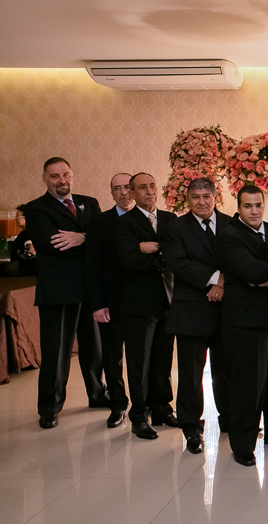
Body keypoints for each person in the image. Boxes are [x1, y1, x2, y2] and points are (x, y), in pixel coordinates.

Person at [23, 157, 107, 429]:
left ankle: (97, 394)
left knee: (94, 347)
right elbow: (55, 244)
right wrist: (89, 240)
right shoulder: (36, 209)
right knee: (56, 351)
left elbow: (103, 239)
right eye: (55, 176)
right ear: (45, 179)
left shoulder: (90, 203)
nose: (62, 180)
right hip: (58, 288)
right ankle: (50, 406)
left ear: (73, 175)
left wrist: (82, 237)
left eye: (66, 174)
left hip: (91, 287)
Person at [215, 185, 268, 466]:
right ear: (238, 208)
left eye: (258, 205)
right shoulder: (228, 236)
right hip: (244, 321)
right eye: (248, 206)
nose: (254, 211)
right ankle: (243, 445)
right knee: (247, 386)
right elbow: (251, 271)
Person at [161, 177, 231, 454]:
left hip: (226, 309)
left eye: (206, 196)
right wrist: (215, 279)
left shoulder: (231, 224)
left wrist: (222, 284)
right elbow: (178, 263)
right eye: (195, 197)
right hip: (191, 310)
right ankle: (191, 428)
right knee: (191, 374)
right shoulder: (175, 228)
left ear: (215, 197)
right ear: (187, 200)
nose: (201, 202)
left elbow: (239, 258)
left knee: (227, 370)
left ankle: (230, 420)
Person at [116, 173, 177, 440]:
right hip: (138, 303)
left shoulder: (170, 219)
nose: (150, 191)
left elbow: (176, 255)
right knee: (139, 363)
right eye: (143, 187)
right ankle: (139, 416)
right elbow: (129, 260)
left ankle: (162, 408)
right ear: (132, 193)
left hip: (168, 300)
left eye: (153, 186)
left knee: (163, 359)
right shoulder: (124, 223)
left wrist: (153, 248)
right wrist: (146, 252)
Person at [85, 172, 133, 427]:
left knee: (144, 358)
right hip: (111, 302)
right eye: (117, 188)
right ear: (112, 193)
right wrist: (98, 304)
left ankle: (147, 404)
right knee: (112, 358)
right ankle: (118, 404)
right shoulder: (99, 222)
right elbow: (92, 266)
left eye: (127, 187)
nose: (123, 192)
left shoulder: (151, 219)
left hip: (142, 301)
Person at [11, 205, 38, 276]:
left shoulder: (28, 232)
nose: (15, 219)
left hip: (26, 274)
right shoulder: (30, 231)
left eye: (18, 217)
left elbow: (32, 251)